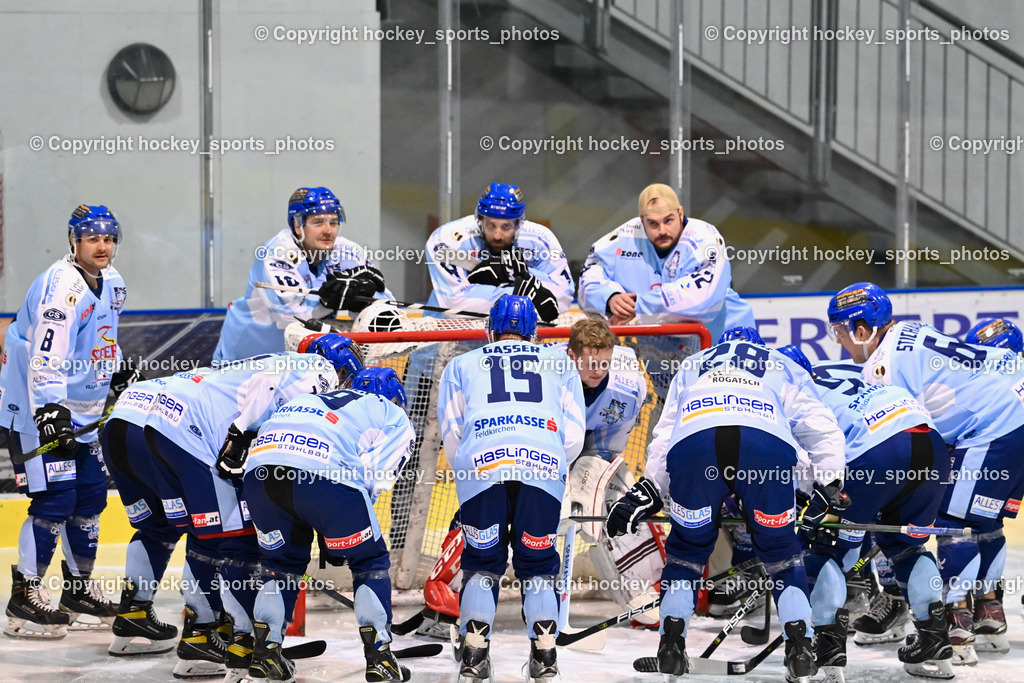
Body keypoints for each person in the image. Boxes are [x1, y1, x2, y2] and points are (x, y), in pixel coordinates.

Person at [101, 335, 357, 679]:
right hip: (186, 432)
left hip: (141, 420)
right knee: (234, 540)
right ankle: (220, 636)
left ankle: (142, 616)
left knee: (165, 529)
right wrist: (239, 434)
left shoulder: (265, 362)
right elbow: (267, 395)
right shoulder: (316, 369)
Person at [608, 326, 845, 681]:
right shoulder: (779, 362)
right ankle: (801, 651)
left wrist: (654, 485)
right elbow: (821, 428)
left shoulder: (694, 362)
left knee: (686, 554)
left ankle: (671, 646)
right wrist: (829, 483)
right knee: (783, 555)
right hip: (762, 446)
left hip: (695, 445)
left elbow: (665, 432)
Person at [415, 318, 654, 639]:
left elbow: (611, 445)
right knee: (474, 517)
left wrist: (586, 479)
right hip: (535, 447)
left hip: (581, 450)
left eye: (604, 364)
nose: (598, 371)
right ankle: (445, 608)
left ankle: (649, 597)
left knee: (620, 503)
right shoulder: (549, 365)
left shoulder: (627, 387)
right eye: (590, 363)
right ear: (571, 356)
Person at [826, 283, 1024, 665]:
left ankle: (954, 627)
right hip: (1013, 406)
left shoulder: (882, 365)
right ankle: (988, 616)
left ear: (861, 330)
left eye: (839, 333)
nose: (840, 343)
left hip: (999, 423)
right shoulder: (909, 331)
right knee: (985, 519)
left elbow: (896, 439)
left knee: (951, 520)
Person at [778, 345, 953, 680]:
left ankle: (826, 650)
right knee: (907, 546)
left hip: (876, 453)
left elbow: (805, 464)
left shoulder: (790, 390)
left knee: (824, 546)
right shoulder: (844, 367)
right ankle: (934, 637)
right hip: (930, 445)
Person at [0, 205, 133, 639]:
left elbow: (102, 337)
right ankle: (24, 596)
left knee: (91, 499)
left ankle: (77, 592)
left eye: (109, 238)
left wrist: (114, 370)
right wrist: (50, 411)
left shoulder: (113, 283)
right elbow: (47, 355)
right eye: (92, 238)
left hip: (85, 416)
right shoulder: (61, 287)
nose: (103, 246)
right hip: (39, 411)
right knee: (54, 503)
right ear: (73, 241)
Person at [437, 295, 585, 680]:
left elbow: (452, 433)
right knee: (537, 568)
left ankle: (473, 653)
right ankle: (545, 655)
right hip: (542, 465)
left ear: (491, 329)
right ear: (534, 331)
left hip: (482, 465)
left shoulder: (462, 363)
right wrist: (546, 463)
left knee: (482, 566)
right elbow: (573, 436)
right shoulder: (559, 362)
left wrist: (471, 473)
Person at [243, 367, 415, 682]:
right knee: (369, 560)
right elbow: (371, 480)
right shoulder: (393, 414)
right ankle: (380, 658)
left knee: (278, 564)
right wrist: (336, 535)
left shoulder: (311, 399)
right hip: (324, 476)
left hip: (259, 475)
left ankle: (265, 653)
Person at [214, 186, 393, 361]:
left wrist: (367, 296)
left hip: (298, 364)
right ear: (297, 225)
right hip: (243, 361)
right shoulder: (278, 251)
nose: (328, 230)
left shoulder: (348, 252)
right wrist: (331, 301)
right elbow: (289, 316)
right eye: (318, 222)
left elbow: (385, 307)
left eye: (334, 222)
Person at [578, 183, 755, 341]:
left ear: (680, 213)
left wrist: (640, 304)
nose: (662, 230)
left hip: (727, 341)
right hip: (668, 355)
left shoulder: (705, 238)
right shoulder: (625, 236)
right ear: (642, 221)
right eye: (653, 224)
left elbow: (703, 301)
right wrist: (610, 297)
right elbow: (589, 278)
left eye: (668, 220)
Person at [425, 183, 573, 322]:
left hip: (517, 332)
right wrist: (523, 291)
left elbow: (562, 296)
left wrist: (521, 275)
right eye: (491, 225)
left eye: (506, 226)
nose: (497, 235)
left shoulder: (539, 239)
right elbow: (455, 305)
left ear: (518, 224)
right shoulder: (447, 239)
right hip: (448, 335)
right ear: (480, 220)